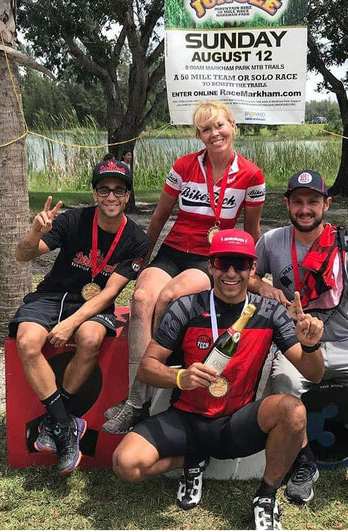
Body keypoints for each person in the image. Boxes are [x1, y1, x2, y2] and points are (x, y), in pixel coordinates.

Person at [111, 229, 324, 530]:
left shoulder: (270, 311)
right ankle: (191, 460)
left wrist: (312, 345)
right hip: (186, 420)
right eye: (223, 263)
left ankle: (265, 498)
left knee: (293, 412)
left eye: (241, 264)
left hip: (236, 423)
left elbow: (314, 373)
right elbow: (147, 367)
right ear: (210, 266)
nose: (231, 272)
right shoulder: (187, 307)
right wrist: (180, 377)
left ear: (253, 270)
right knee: (125, 464)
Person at [104, 100, 266, 434]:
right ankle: (136, 404)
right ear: (198, 135)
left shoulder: (251, 174)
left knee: (168, 297)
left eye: (219, 125)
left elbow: (252, 231)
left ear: (233, 126)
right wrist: (141, 261)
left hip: (209, 258)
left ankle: (154, 393)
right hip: (173, 249)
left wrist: (255, 275)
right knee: (142, 298)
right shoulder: (184, 166)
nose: (214, 133)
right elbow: (160, 217)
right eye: (206, 129)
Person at [249, 169, 348, 513]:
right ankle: (305, 463)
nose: (305, 209)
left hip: (343, 340)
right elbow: (248, 275)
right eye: (299, 202)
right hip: (293, 344)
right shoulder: (273, 241)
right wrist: (263, 286)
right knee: (282, 385)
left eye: (313, 202)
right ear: (288, 203)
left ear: (326, 204)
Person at [11, 160, 149, 474]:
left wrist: (70, 323)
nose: (111, 196)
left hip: (93, 305)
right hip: (51, 295)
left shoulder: (137, 240)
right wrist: (35, 232)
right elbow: (22, 255)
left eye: (118, 189)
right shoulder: (74, 220)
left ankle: (56, 423)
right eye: (104, 189)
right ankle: (63, 424)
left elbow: (109, 293)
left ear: (127, 195)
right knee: (27, 341)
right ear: (95, 193)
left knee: (89, 337)